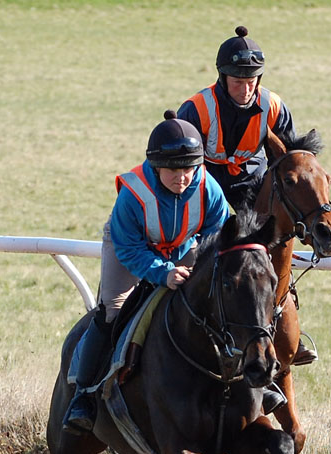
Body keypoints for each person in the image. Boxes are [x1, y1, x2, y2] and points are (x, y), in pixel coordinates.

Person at [62, 111, 231, 432]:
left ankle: (251, 380)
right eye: (173, 170)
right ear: (156, 166)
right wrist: (164, 273)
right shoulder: (133, 194)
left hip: (181, 247)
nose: (183, 177)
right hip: (130, 248)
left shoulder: (209, 187)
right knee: (112, 310)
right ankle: (83, 395)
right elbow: (129, 249)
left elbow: (217, 233)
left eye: (189, 169)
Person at [178, 25, 316, 366]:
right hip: (205, 191)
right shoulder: (196, 109)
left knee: (271, 257)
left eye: (252, 80)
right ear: (222, 78)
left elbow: (286, 161)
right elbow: (182, 170)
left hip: (253, 192)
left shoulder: (273, 105)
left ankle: (288, 334)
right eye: (238, 81)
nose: (246, 88)